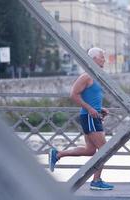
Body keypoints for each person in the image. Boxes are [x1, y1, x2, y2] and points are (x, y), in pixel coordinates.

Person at [49, 47, 114, 190]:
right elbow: (73, 95)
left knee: (90, 151)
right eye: (102, 56)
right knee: (105, 149)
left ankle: (58, 154)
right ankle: (96, 181)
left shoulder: (96, 76)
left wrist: (99, 109)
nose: (104, 59)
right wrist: (90, 109)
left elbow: (90, 97)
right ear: (94, 59)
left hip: (91, 116)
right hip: (89, 117)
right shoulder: (86, 76)